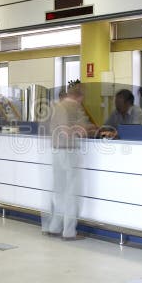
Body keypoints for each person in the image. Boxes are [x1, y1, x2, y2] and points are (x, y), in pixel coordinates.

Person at [42, 83, 97, 241]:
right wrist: (91, 129)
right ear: (80, 95)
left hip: (56, 151)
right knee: (72, 192)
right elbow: (74, 131)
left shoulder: (58, 106)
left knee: (59, 191)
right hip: (69, 151)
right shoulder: (74, 107)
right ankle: (69, 232)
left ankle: (54, 227)